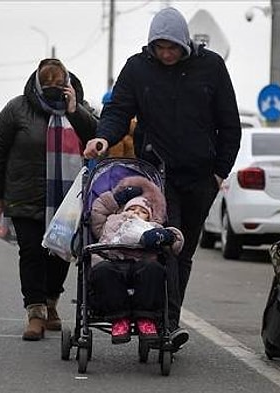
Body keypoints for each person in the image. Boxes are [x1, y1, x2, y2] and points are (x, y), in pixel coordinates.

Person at [83, 7, 241, 349]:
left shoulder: (211, 67)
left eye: (172, 48)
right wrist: (103, 139)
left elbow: (229, 122)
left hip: (200, 177)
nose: (167, 54)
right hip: (158, 176)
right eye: (160, 48)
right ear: (151, 46)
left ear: (184, 44)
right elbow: (118, 111)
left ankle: (166, 320)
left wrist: (219, 171)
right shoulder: (137, 69)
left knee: (183, 254)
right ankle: (164, 326)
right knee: (164, 246)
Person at [0, 58, 98, 341]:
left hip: (68, 199)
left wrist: (74, 111)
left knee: (60, 251)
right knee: (32, 252)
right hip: (25, 194)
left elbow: (98, 139)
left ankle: (51, 303)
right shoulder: (17, 109)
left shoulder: (79, 109)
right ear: (37, 83)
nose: (52, 90)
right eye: (47, 85)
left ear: (68, 85)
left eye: (58, 85)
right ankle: (35, 312)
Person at [89, 176, 183, 344]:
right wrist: (116, 199)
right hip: (113, 261)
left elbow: (176, 241)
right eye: (131, 209)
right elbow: (97, 211)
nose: (135, 214)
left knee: (154, 269)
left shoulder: (152, 227)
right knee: (102, 270)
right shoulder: (111, 221)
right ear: (122, 210)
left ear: (150, 217)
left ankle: (146, 318)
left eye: (142, 212)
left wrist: (166, 236)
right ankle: (119, 319)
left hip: (141, 263)